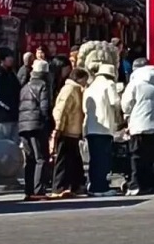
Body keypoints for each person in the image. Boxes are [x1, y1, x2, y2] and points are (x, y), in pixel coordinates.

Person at [121, 57, 154, 196]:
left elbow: (126, 104)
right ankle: (153, 183)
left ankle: (136, 184)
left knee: (137, 156)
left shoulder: (135, 83)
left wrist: (128, 115)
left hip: (139, 124)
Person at [83, 56, 123, 196]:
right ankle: (101, 188)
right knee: (103, 160)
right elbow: (115, 102)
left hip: (91, 127)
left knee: (94, 159)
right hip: (104, 128)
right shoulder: (109, 84)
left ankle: (93, 185)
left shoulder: (90, 86)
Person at [51, 67, 89, 198]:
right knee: (63, 160)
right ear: (79, 79)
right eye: (85, 79)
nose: (85, 82)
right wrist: (58, 128)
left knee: (74, 160)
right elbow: (61, 110)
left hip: (73, 130)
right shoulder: (70, 89)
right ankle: (59, 187)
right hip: (67, 130)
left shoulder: (76, 89)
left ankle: (75, 185)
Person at [18, 59, 53, 200]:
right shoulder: (43, 85)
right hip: (37, 125)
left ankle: (28, 190)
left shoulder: (25, 86)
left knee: (30, 159)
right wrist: (48, 124)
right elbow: (45, 107)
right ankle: (38, 190)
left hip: (23, 125)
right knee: (41, 158)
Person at [0, 48, 20, 144]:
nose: (11, 59)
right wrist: (6, 107)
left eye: (11, 56)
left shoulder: (12, 74)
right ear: (2, 59)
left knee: (15, 143)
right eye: (8, 57)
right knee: (3, 144)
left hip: (15, 115)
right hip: (2, 116)